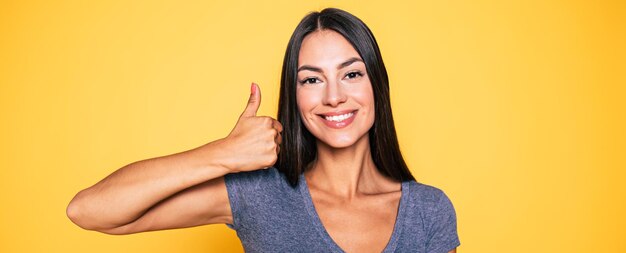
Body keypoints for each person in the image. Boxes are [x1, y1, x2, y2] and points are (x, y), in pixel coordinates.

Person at [67, 8, 460, 253]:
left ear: (377, 84)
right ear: (295, 96)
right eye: (312, 80)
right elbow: (88, 211)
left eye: (352, 74)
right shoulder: (260, 195)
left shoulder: (428, 212)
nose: (335, 96)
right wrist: (221, 154)